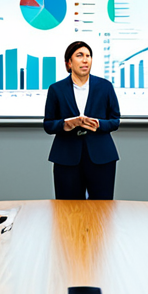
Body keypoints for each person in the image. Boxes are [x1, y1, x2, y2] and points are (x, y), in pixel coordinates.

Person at [44, 41, 120, 200]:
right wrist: (66, 124)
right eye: (79, 56)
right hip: (66, 157)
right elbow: (48, 124)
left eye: (88, 56)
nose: (85, 60)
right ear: (69, 63)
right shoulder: (56, 89)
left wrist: (98, 124)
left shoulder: (105, 86)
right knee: (67, 211)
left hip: (101, 157)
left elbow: (115, 120)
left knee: (102, 211)